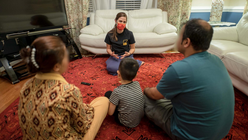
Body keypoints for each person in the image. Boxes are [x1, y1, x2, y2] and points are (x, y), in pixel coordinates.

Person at [143, 19, 234, 140]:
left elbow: (154, 95)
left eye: (179, 34)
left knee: (144, 97)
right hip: (221, 132)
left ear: (186, 42)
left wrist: (146, 89)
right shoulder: (217, 60)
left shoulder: (178, 69)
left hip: (190, 136)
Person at [18, 36, 109, 140]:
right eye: (66, 55)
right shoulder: (69, 91)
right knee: (103, 101)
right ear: (56, 66)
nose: (68, 58)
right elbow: (82, 127)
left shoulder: (25, 86)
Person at [105, 58, 144, 128]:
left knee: (108, 94)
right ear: (135, 76)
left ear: (118, 74)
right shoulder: (137, 84)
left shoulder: (117, 91)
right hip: (138, 119)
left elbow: (110, 113)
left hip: (125, 122)